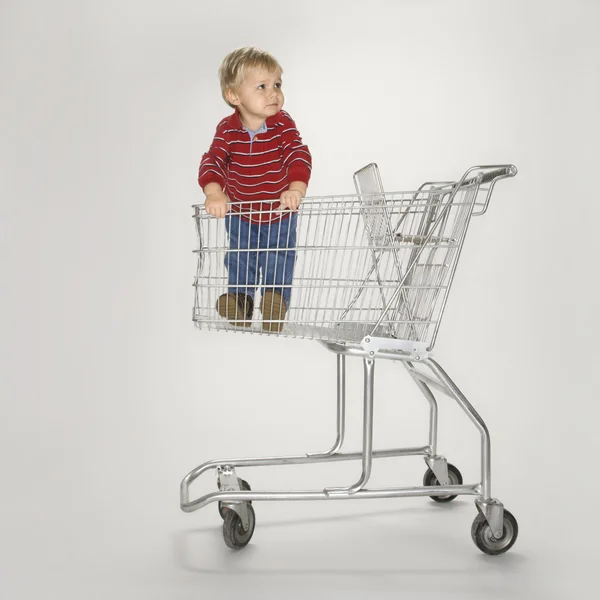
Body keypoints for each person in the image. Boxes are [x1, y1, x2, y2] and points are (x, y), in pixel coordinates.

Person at [198, 47, 312, 332]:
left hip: (280, 210)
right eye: (262, 86)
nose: (273, 93)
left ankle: (275, 304)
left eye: (277, 85)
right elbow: (212, 161)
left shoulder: (282, 124)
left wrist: (295, 189)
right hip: (241, 212)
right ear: (234, 96)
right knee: (241, 256)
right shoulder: (227, 130)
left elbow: (298, 155)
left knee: (278, 255)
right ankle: (241, 303)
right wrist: (214, 192)